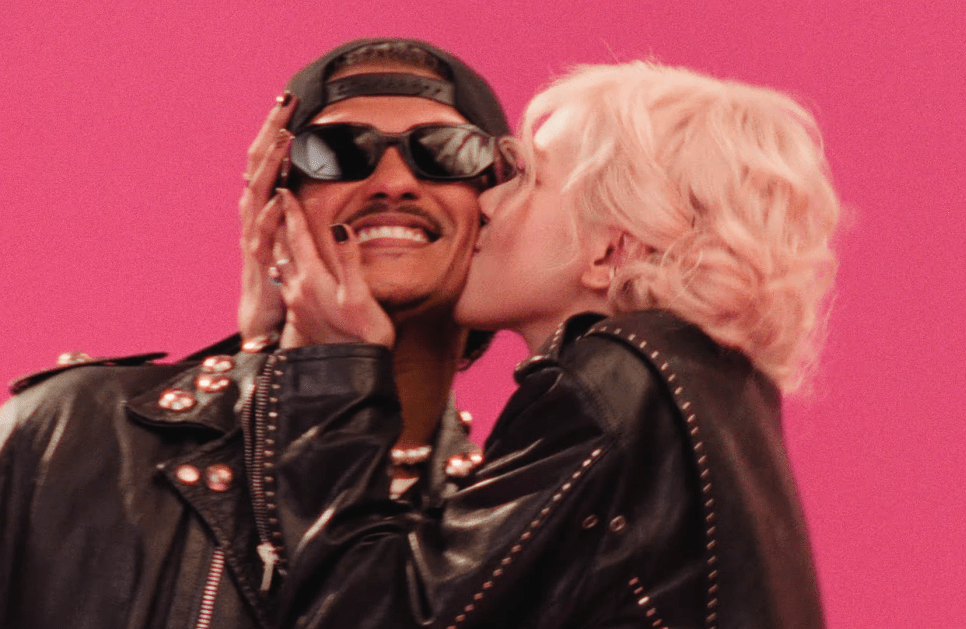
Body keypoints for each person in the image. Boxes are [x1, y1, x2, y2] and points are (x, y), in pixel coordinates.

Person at [253, 61, 838, 628]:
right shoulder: (712, 392)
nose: (487, 202)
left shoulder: (611, 387)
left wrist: (328, 367)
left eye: (529, 180)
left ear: (609, 251)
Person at [0, 38, 510, 628]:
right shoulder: (70, 431)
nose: (393, 183)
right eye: (338, 151)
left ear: (497, 211)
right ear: (271, 204)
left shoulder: (509, 526)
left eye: (445, 150)